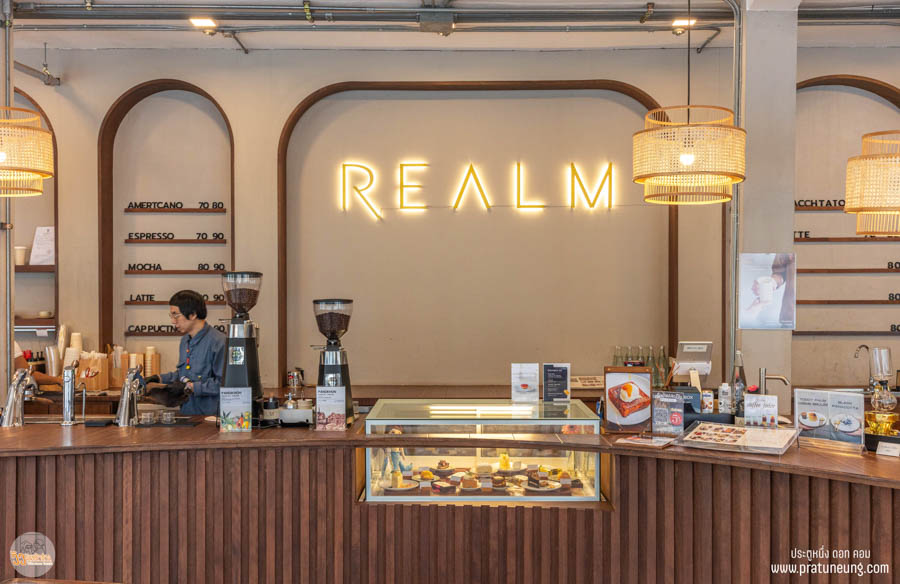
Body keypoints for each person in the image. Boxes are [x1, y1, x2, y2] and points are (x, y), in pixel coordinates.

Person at [144, 290, 226, 415]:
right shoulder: (185, 341)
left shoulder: (219, 342)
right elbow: (183, 374)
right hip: (187, 414)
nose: (173, 321)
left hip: (210, 418)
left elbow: (224, 385)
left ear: (192, 314)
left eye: (176, 315)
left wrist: (190, 387)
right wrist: (159, 378)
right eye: (171, 316)